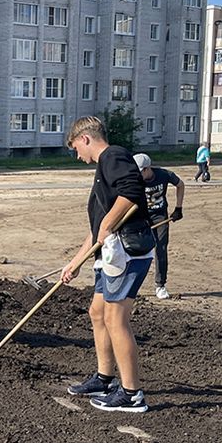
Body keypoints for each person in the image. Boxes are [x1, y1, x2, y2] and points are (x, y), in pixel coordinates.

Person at [60, 116, 153, 413]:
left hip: (127, 252)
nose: (78, 155)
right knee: (97, 312)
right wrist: (75, 263)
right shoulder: (104, 168)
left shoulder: (113, 155)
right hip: (110, 254)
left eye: (76, 148)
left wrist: (109, 223)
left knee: (116, 319)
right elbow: (98, 227)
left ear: (85, 138)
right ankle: (104, 379)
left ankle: (132, 394)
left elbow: (132, 193)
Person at [134, 154, 185, 300]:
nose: (138, 175)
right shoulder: (135, 179)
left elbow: (180, 185)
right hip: (141, 217)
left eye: (140, 172)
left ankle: (160, 285)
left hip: (160, 216)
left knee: (161, 248)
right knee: (136, 249)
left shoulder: (163, 175)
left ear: (147, 169)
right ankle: (132, 285)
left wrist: (178, 208)